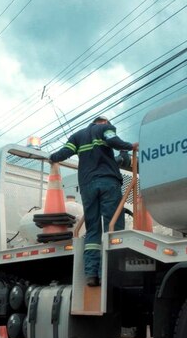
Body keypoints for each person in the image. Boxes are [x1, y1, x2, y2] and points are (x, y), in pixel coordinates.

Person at [49, 116, 137, 287]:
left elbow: (63, 153)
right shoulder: (105, 129)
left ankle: (91, 274)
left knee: (92, 229)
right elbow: (113, 140)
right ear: (104, 122)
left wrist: (52, 157)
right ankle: (108, 273)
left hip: (87, 185)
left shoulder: (77, 136)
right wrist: (130, 146)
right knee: (113, 226)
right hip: (108, 182)